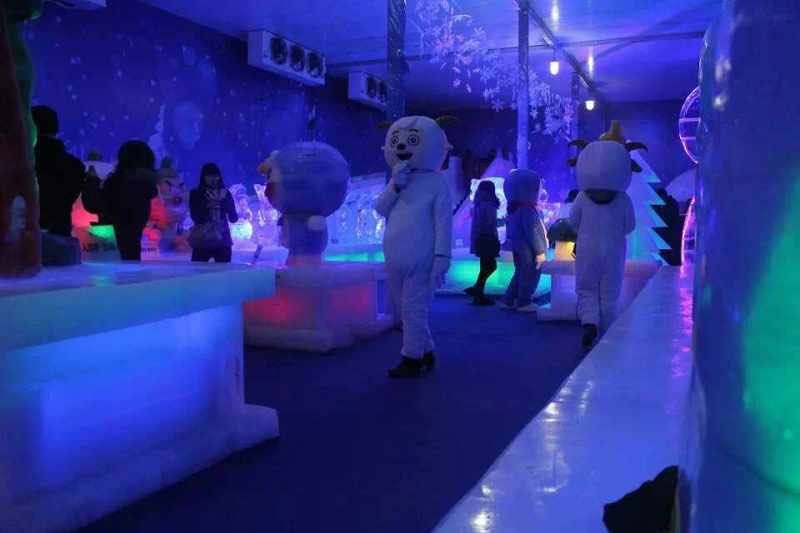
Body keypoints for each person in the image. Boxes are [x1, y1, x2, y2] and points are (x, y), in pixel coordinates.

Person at [375, 115, 453, 379]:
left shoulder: (437, 183)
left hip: (421, 257)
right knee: (406, 309)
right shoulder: (398, 178)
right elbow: (380, 208)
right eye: (396, 140)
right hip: (395, 255)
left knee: (413, 308)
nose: (401, 146)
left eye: (411, 140)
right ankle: (426, 350)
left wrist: (442, 256)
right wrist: (395, 186)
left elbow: (443, 222)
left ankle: (411, 358)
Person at [567, 121, 641, 347]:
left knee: (586, 288)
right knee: (610, 292)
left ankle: (589, 323)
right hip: (614, 250)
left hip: (587, 249)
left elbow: (573, 222)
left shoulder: (581, 197)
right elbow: (630, 226)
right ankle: (608, 334)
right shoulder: (623, 199)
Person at [31, 105, 85, 237]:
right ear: (56, 128)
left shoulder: (16, 162)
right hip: (60, 232)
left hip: (21, 234)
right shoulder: (75, 165)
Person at [501, 169, 548, 312]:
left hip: (519, 248)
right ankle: (524, 301)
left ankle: (509, 299)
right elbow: (532, 231)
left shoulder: (513, 209)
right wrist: (540, 251)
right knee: (529, 274)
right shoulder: (527, 210)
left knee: (519, 273)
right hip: (529, 250)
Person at [102, 140, 158, 261]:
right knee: (131, 261)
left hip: (110, 237)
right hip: (134, 237)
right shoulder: (147, 182)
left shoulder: (116, 182)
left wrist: (91, 183)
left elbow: (96, 205)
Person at [189, 163, 238, 263]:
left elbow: (233, 218)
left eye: (216, 176)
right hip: (202, 241)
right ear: (203, 177)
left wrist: (224, 203)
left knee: (224, 271)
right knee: (198, 271)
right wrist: (209, 204)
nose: (214, 179)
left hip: (222, 242)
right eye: (209, 176)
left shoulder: (225, 193)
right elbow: (196, 217)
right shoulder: (196, 193)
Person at [465, 180, 501, 305]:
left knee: (485, 266)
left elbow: (480, 224)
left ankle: (478, 293)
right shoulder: (489, 205)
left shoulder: (479, 204)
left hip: (481, 239)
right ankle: (477, 290)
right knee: (491, 266)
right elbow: (489, 224)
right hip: (487, 238)